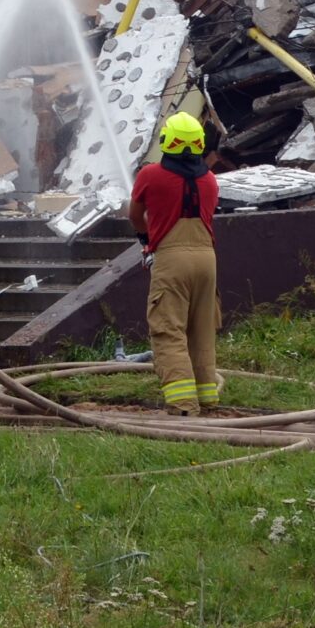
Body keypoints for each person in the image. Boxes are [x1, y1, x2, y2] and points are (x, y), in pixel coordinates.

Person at [127, 111, 221, 414]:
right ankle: (207, 397)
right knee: (201, 329)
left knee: (169, 330)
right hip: (207, 259)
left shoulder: (150, 175)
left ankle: (182, 404)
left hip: (172, 258)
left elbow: (135, 216)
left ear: (167, 141)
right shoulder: (209, 180)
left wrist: (146, 238)